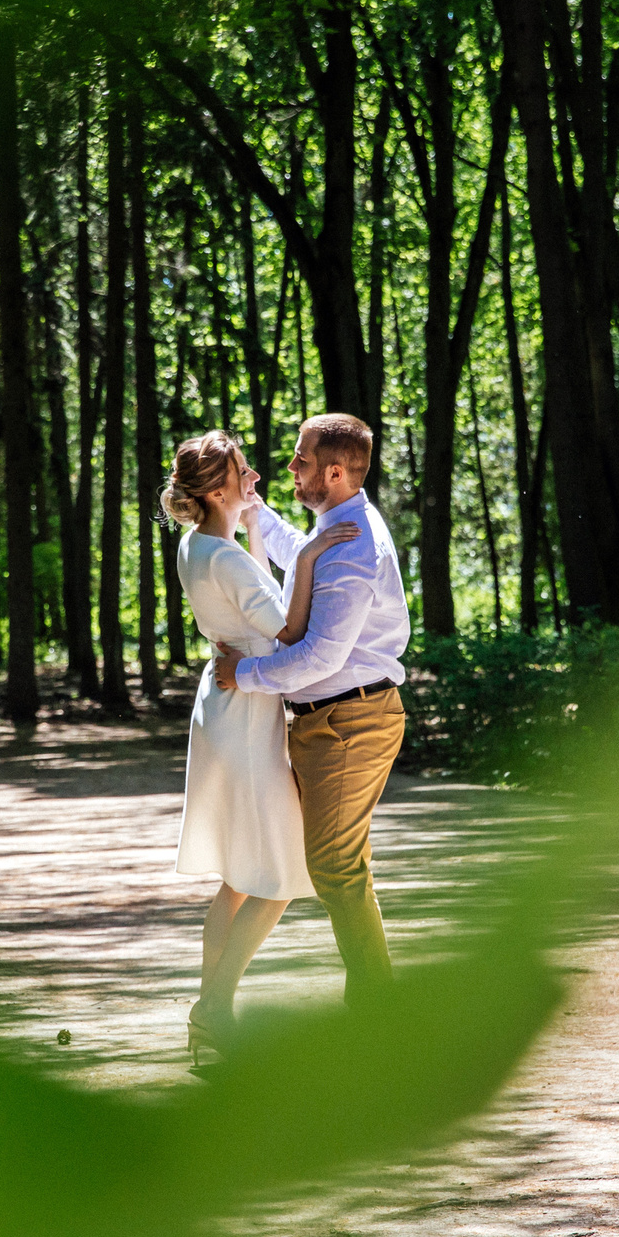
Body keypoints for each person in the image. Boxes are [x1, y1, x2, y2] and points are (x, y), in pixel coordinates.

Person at [167, 430, 360, 1064]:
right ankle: (213, 1007)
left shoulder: (197, 546)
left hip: (225, 704)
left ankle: (210, 1015)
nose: (255, 477)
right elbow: (290, 629)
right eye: (243, 471)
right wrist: (308, 555)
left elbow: (256, 603)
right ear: (218, 489)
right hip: (247, 712)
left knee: (238, 879)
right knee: (278, 874)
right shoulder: (224, 559)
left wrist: (254, 525)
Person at [212, 412, 410, 1012]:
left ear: (335, 472)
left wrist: (244, 675)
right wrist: (256, 514)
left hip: (351, 720)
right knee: (342, 865)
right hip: (334, 718)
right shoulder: (337, 527)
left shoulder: (354, 547)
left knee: (333, 866)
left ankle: (376, 1012)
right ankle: (377, 1002)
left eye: (302, 459)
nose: (291, 466)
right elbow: (301, 555)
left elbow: (321, 656)